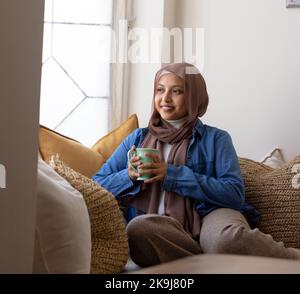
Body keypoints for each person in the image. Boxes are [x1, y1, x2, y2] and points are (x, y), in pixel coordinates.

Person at [93, 62, 300, 267]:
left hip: (210, 213)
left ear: (194, 96)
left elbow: (234, 195)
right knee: (138, 230)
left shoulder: (216, 139)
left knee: (225, 241)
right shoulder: (137, 138)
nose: (165, 99)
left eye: (176, 91)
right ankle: (212, 262)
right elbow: (97, 186)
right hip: (160, 225)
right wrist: (128, 176)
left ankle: (292, 256)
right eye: (159, 90)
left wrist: (172, 175)